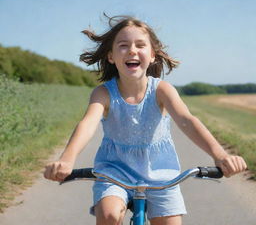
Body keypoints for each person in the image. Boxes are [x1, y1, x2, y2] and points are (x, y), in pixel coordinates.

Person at [44, 15, 247, 225]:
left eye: (140, 45)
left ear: (152, 56)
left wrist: (220, 155)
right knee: (109, 215)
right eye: (123, 45)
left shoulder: (162, 90)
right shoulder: (103, 93)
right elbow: (88, 124)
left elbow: (186, 120)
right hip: (114, 171)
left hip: (160, 174)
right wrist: (67, 159)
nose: (132, 50)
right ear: (111, 56)